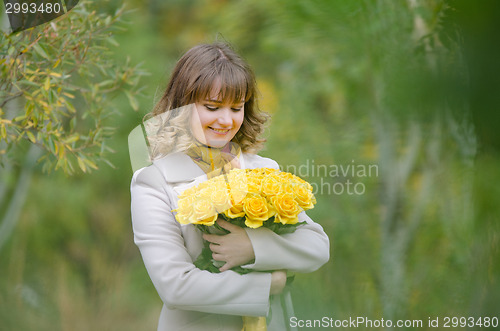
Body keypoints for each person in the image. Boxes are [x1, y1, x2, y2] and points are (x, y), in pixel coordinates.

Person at [130, 42, 330, 331]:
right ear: (182, 108)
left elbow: (317, 246)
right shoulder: (153, 181)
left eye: (236, 108)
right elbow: (175, 286)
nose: (226, 120)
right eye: (212, 107)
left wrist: (252, 247)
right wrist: (268, 283)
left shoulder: (264, 169)